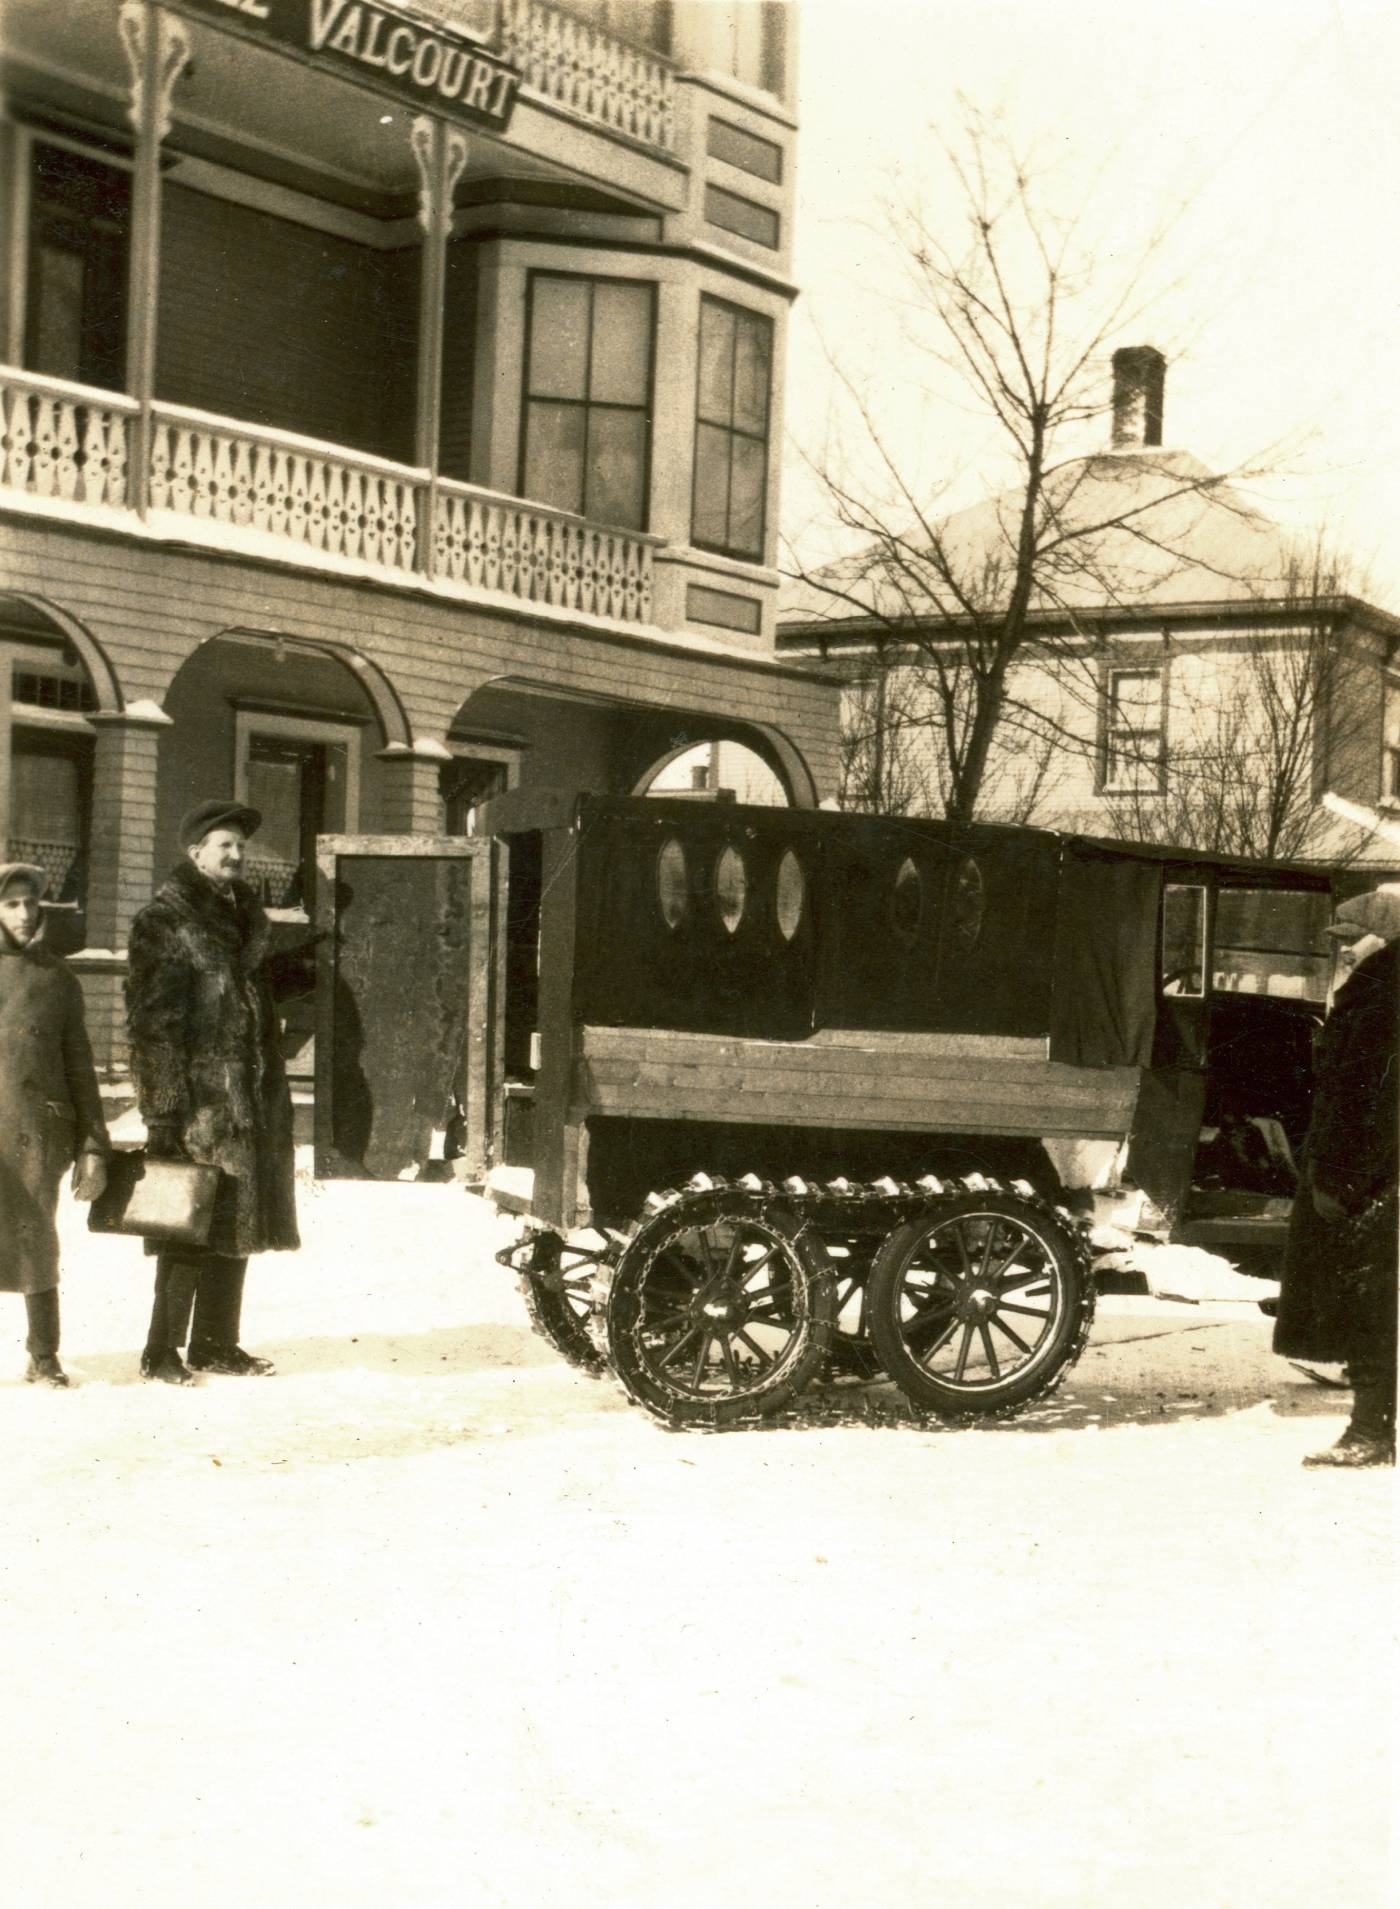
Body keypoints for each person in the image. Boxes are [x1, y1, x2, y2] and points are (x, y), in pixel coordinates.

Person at [125, 800, 300, 1384]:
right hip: (199, 1099)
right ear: (194, 852)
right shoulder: (166, 920)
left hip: (248, 1097)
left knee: (238, 1219)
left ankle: (217, 1343)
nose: (236, 854)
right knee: (187, 1220)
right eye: (224, 843)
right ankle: (160, 1351)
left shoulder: (246, 919)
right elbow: (154, 1025)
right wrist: (164, 1111)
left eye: (241, 846)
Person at [1273, 888, 1400, 1467]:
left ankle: (1371, 1434)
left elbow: (1370, 1099)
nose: (1344, 951)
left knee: (1372, 1299)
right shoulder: (1377, 990)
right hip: (1377, 1172)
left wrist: (1343, 1179)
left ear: (1384, 939)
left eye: (1352, 940)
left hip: (1374, 1178)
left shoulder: (1382, 998)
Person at [0, 862, 109, 1386]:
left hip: (36, 1134)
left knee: (36, 1238)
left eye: (30, 902)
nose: (24, 913)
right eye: (11, 904)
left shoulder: (57, 977)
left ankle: (44, 1354)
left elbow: (81, 1069)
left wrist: (93, 1145)